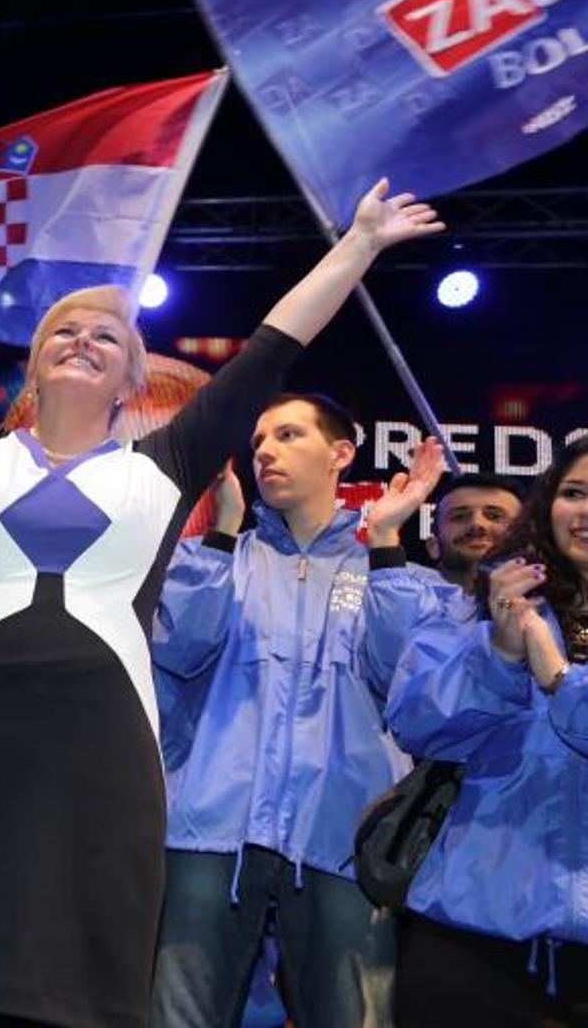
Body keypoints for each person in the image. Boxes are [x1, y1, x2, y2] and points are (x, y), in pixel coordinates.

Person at [0, 169, 443, 1026]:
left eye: (106, 337)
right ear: (34, 364)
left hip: (100, 766)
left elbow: (274, 345)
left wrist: (360, 243)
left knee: (73, 1002)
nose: (83, 341)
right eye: (64, 330)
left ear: (130, 380)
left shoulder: (165, 465)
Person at [149, 398, 444, 1027]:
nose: (265, 452)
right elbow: (180, 650)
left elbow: (405, 683)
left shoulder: (395, 576)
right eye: (258, 441)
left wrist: (385, 543)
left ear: (340, 454)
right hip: (212, 830)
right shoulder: (215, 559)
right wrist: (222, 531)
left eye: (287, 435)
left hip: (343, 836)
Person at [387, 436, 588, 1024]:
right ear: (548, 505)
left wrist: (557, 676)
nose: (585, 511)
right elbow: (415, 725)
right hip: (473, 924)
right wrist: (498, 654)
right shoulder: (472, 608)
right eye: (574, 492)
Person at [426, 472, 524, 593]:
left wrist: (503, 601)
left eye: (494, 516)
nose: (476, 524)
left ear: (526, 541)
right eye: (459, 517)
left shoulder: (545, 601)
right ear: (433, 546)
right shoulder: (406, 594)